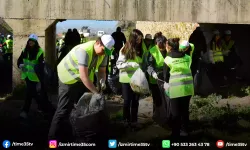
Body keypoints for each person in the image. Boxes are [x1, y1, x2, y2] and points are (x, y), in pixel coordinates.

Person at [48, 35, 115, 141]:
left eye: (106, 51)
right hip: (68, 77)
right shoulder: (84, 51)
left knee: (84, 107)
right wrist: (95, 92)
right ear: (98, 43)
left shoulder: (104, 53)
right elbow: (84, 76)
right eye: (103, 50)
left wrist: (102, 82)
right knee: (63, 109)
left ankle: (78, 133)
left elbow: (102, 71)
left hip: (82, 79)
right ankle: (52, 138)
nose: (104, 53)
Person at [163, 38, 194, 139]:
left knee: (175, 113)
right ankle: (184, 131)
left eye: (167, 45)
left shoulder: (168, 59)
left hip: (176, 89)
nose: (166, 47)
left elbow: (165, 76)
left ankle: (175, 134)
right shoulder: (187, 57)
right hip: (188, 88)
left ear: (170, 47)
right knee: (185, 111)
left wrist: (166, 84)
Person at [116, 29, 147, 128]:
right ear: (133, 39)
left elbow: (144, 60)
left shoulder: (141, 48)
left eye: (141, 39)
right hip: (126, 79)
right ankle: (126, 121)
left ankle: (134, 121)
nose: (140, 41)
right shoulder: (124, 49)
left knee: (135, 101)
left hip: (137, 79)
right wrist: (130, 64)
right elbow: (119, 65)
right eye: (138, 39)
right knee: (127, 101)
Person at [17, 34, 50, 119]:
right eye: (30, 41)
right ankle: (42, 108)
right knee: (33, 93)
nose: (31, 42)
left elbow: (41, 65)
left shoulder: (40, 51)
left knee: (30, 93)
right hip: (27, 75)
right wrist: (20, 65)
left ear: (36, 42)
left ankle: (25, 110)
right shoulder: (25, 50)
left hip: (35, 76)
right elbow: (20, 60)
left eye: (33, 41)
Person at [146, 32, 167, 112]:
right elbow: (149, 66)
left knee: (165, 98)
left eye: (164, 45)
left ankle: (165, 115)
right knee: (157, 99)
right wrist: (152, 73)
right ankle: (157, 115)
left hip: (166, 79)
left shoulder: (168, 49)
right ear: (156, 44)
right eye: (160, 46)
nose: (162, 48)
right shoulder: (152, 51)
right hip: (155, 80)